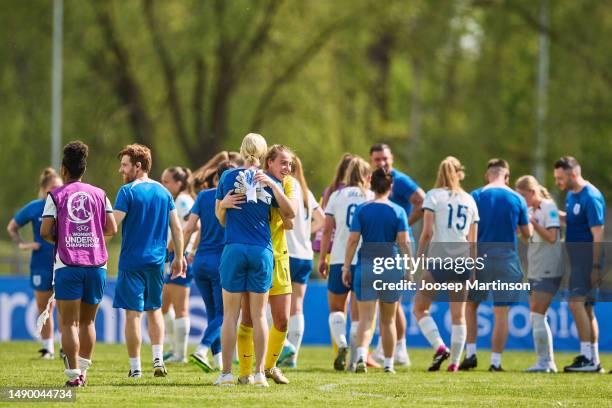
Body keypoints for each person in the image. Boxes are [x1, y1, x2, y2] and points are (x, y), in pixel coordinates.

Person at [214, 133, 295, 387]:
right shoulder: (270, 180)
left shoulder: (228, 176)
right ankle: (260, 374)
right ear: (263, 154)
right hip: (261, 250)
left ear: (241, 150)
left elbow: (221, 218)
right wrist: (272, 187)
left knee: (230, 316)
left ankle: (227, 373)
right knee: (260, 316)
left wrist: (224, 205)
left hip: (234, 248)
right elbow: (290, 214)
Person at [40, 141, 117, 386]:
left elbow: (44, 231)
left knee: (69, 322)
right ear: (83, 169)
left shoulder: (57, 194)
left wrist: (64, 237)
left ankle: (74, 375)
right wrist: (91, 237)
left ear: (63, 170)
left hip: (68, 263)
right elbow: (112, 229)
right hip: (97, 264)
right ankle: (84, 372)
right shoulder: (99, 193)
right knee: (88, 322)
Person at [112, 144, 186, 378]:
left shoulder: (127, 192)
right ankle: (158, 360)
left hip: (132, 261)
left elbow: (112, 226)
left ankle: (135, 368)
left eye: (124, 165)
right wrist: (179, 257)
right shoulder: (164, 192)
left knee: (133, 314)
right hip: (157, 261)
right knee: (155, 310)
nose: (121, 170)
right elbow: (177, 228)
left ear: (138, 166)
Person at [461, 159, 531, 372]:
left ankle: (471, 354)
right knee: (501, 312)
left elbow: (467, 233)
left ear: (487, 175)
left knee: (471, 307)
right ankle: (495, 362)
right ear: (507, 177)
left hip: (480, 258)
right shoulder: (517, 198)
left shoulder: (476, 195)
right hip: (507, 260)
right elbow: (528, 235)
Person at [237, 144, 297, 385]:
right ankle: (245, 373)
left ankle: (270, 367)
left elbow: (290, 215)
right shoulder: (251, 180)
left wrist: (274, 186)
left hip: (279, 257)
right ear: (268, 162)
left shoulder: (287, 183)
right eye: (283, 162)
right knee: (249, 318)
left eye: (290, 164)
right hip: (256, 255)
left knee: (282, 320)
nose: (287, 167)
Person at [412, 157, 479, 372]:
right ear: (459, 173)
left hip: (439, 260)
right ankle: (454, 364)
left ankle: (440, 346)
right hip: (462, 261)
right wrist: (474, 268)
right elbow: (473, 241)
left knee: (420, 309)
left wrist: (418, 261)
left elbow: (427, 233)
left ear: (439, 173)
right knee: (459, 316)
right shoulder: (469, 200)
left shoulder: (433, 196)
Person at [343, 167, 412, 374]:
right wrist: (408, 269)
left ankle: (362, 356)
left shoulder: (362, 209)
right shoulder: (398, 211)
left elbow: (353, 240)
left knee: (365, 318)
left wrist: (346, 267)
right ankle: (389, 364)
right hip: (390, 266)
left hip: (366, 266)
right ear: (391, 186)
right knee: (388, 319)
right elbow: (404, 243)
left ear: (371, 184)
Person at [369, 143, 424, 366]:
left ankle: (394, 348)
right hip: (383, 244)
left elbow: (422, 199)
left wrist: (403, 224)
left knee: (392, 300)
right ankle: (395, 348)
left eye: (385, 158)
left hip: (396, 244)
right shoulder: (375, 178)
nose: (382, 163)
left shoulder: (399, 180)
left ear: (392, 158)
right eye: (377, 159)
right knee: (391, 301)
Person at [318, 156, 374, 371]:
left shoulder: (336, 196)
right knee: (359, 312)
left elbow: (327, 230)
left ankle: (341, 342)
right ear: (367, 176)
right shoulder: (370, 196)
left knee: (336, 309)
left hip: (340, 257)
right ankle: (355, 359)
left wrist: (323, 257)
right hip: (364, 259)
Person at [553, 157, 606, 373]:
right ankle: (594, 360)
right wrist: (553, 214)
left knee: (575, 304)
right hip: (578, 260)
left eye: (560, 177)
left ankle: (587, 358)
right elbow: (574, 220)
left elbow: (598, 233)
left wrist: (595, 267)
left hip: (587, 261)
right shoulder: (571, 195)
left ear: (573, 174)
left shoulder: (591, 196)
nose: (557, 181)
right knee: (587, 309)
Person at [185, 160, 237, 372]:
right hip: (220, 262)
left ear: (216, 178)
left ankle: (216, 359)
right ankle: (202, 349)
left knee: (213, 314)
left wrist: (181, 253)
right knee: (225, 315)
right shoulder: (235, 198)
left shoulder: (204, 195)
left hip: (200, 261)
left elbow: (189, 227)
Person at [7, 168, 62, 359]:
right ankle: (48, 349)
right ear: (45, 189)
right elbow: (12, 227)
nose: (57, 191)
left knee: (65, 305)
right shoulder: (34, 207)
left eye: (60, 187)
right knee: (44, 307)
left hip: (63, 262)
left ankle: (66, 346)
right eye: (54, 188)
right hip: (40, 264)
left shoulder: (66, 206)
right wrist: (23, 244)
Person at [280, 154, 325, 368]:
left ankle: (285, 345)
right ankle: (293, 356)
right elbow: (323, 219)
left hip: (287, 252)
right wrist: (307, 233)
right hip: (306, 255)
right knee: (297, 307)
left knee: (275, 304)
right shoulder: (307, 192)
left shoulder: (287, 188)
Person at [515, 175, 562, 373]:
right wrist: (521, 230)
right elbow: (531, 240)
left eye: (523, 195)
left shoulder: (548, 207)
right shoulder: (529, 210)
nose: (521, 200)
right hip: (536, 266)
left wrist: (533, 222)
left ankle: (546, 362)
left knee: (537, 314)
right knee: (536, 314)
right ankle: (545, 361)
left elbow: (552, 237)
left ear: (532, 193)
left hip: (549, 266)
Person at [160, 166, 196, 364]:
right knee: (165, 305)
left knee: (180, 308)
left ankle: (180, 354)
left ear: (179, 183)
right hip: (175, 255)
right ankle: (174, 349)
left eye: (167, 181)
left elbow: (192, 226)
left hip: (180, 257)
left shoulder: (182, 200)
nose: (164, 184)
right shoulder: (178, 199)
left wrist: (177, 249)